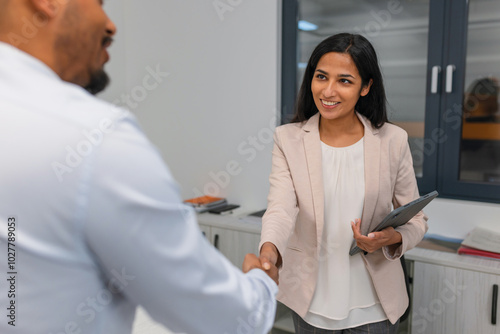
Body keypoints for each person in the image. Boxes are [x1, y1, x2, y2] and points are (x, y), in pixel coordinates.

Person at [0, 1, 278, 333]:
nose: (111, 25)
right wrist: (261, 283)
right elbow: (227, 319)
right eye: (99, 3)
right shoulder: (95, 138)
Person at [258, 33, 428, 333]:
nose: (328, 90)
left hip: (375, 302)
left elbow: (416, 219)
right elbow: (281, 208)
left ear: (366, 87)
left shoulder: (393, 140)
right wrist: (269, 251)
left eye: (345, 81)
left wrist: (391, 238)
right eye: (321, 77)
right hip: (311, 300)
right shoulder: (288, 139)